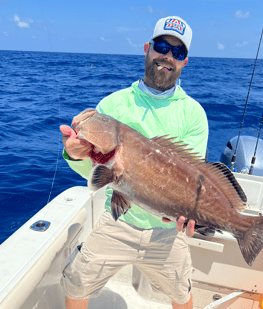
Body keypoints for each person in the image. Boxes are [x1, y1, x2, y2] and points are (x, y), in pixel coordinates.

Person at [60, 16, 208, 309]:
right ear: (147, 48)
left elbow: (192, 179)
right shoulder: (113, 104)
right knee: (76, 281)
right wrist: (75, 154)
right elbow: (95, 168)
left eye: (177, 53)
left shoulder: (193, 114)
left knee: (181, 293)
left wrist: (193, 216)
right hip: (119, 220)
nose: (167, 57)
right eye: (162, 47)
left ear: (184, 62)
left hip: (167, 232)